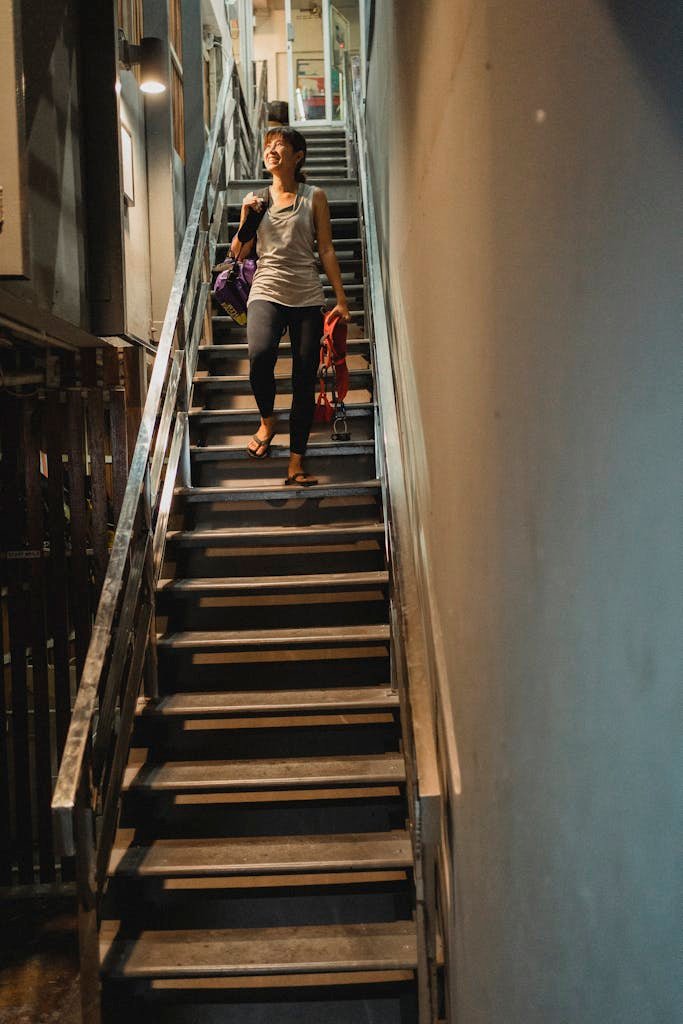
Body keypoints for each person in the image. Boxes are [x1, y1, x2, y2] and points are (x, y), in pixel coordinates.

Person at [231, 126, 350, 486]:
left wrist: (341, 298)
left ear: (298, 156)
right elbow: (239, 253)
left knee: (303, 378)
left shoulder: (315, 196)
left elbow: (325, 249)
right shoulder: (255, 200)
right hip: (266, 288)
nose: (271, 150)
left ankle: (296, 462)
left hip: (306, 294)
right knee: (260, 357)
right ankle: (268, 420)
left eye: (279, 144)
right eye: (268, 145)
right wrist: (249, 219)